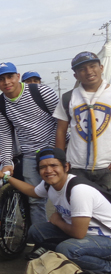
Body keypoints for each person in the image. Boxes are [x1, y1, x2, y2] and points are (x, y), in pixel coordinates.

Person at [0, 148, 111, 274]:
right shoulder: (49, 184)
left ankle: (106, 267)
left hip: (105, 237)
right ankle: (79, 257)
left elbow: (78, 233)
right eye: (43, 167)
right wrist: (4, 176)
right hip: (86, 235)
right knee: (37, 231)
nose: (48, 171)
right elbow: (32, 192)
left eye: (54, 165)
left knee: (67, 249)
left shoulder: (79, 190)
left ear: (66, 167)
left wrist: (57, 222)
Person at [0, 62, 59, 226]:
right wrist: (7, 163)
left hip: (56, 150)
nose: (7, 82)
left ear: (18, 77)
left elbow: (62, 120)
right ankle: (40, 240)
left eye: (10, 77)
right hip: (29, 155)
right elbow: (5, 134)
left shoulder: (41, 91)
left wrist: (52, 149)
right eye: (1, 79)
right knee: (35, 199)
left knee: (65, 196)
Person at [55, 51, 111, 191]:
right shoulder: (68, 98)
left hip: (107, 167)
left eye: (93, 66)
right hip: (77, 167)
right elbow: (61, 131)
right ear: (75, 75)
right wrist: (60, 161)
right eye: (82, 69)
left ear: (101, 68)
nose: (89, 71)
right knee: (78, 209)